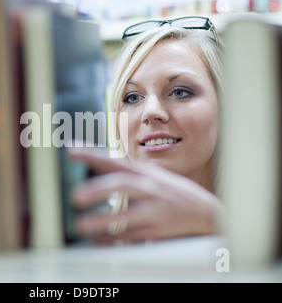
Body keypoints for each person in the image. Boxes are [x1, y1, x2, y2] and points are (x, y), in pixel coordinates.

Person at [68, 16, 226, 245]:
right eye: (132, 97)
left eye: (180, 92)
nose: (150, 112)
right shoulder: (100, 245)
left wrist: (220, 224)